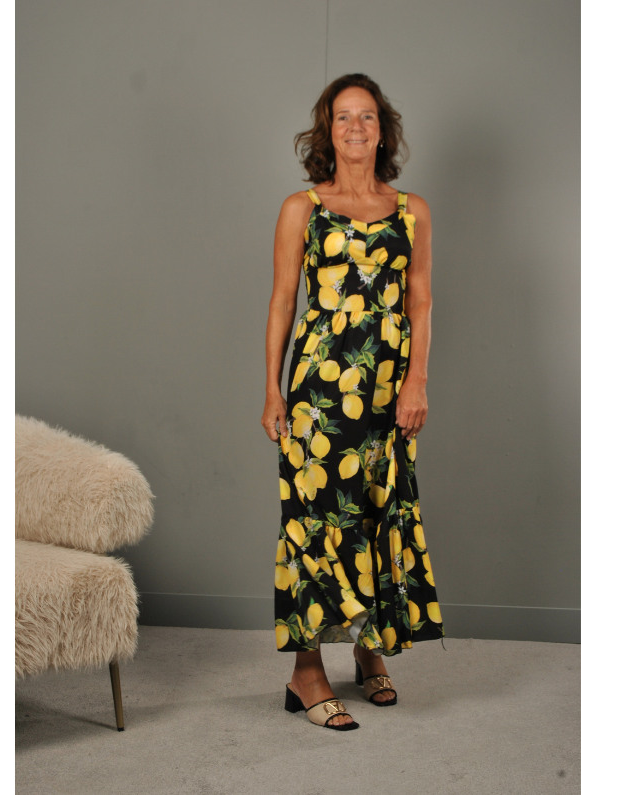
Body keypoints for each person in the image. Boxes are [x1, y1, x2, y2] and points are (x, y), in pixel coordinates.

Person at [261, 73, 444, 731]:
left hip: (388, 390)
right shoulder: (302, 208)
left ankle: (370, 651)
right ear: (327, 130)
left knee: (377, 513)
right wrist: (272, 388)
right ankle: (306, 671)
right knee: (315, 519)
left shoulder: (412, 210)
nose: (356, 127)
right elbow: (283, 303)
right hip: (319, 391)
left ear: (383, 131)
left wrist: (417, 381)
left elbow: (420, 301)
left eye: (367, 116)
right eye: (344, 117)